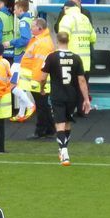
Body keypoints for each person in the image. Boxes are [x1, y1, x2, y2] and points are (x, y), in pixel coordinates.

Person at [40, 32, 91, 166]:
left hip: (57, 94)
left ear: (57, 41)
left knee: (59, 123)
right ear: (68, 41)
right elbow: (82, 80)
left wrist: (41, 87)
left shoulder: (51, 57)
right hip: (72, 95)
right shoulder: (76, 58)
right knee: (67, 122)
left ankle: (64, 151)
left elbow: (43, 77)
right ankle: (62, 150)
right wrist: (86, 99)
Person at [19, 18, 55, 140]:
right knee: (43, 105)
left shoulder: (42, 43)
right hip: (37, 79)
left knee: (41, 106)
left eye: (32, 26)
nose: (30, 28)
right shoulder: (40, 40)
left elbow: (40, 64)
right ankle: (50, 129)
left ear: (39, 28)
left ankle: (41, 131)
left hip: (37, 80)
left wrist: (38, 83)